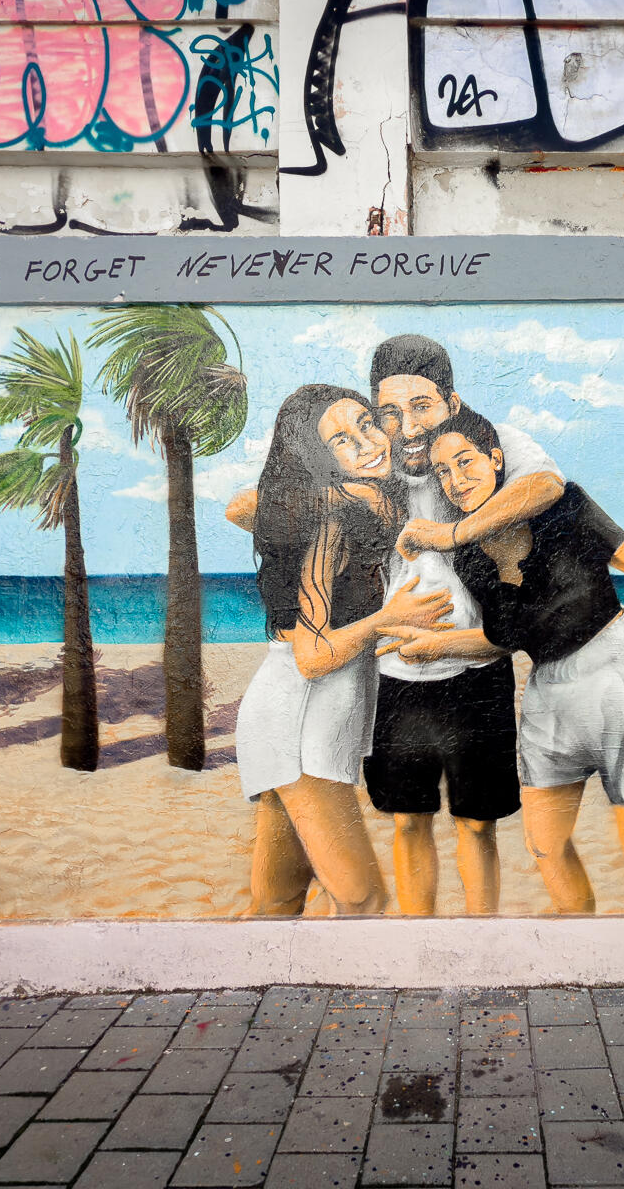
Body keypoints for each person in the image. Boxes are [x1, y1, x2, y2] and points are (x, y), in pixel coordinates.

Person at [228, 335, 564, 916]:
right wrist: (328, 509)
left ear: (452, 403)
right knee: (373, 881)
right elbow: (245, 506)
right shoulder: (349, 499)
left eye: (418, 407)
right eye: (386, 412)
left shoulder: (472, 446)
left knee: (280, 897)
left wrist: (451, 534)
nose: (400, 427)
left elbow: (546, 484)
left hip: (391, 689)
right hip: (330, 699)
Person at [388, 408, 624, 914]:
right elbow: (506, 638)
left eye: (465, 461)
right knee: (545, 845)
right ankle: (580, 944)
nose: (456, 479)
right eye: (443, 471)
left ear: (495, 459)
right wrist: (433, 646)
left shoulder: (565, 504)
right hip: (550, 689)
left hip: (620, 667)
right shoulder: (470, 556)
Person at [233, 384, 453, 916]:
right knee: (363, 898)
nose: (366, 443)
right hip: (300, 721)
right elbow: (312, 658)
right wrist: (388, 619)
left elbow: (252, 509)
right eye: (340, 441)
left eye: (366, 424)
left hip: (310, 717)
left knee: (277, 900)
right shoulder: (331, 520)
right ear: (317, 458)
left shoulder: (368, 502)